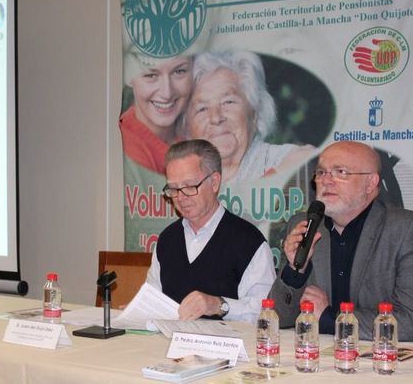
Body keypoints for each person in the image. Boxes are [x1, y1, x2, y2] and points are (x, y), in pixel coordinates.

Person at [269, 141, 413, 341]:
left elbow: (412, 322)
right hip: (322, 358)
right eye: (321, 173)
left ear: (371, 183)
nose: (326, 181)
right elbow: (278, 318)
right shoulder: (305, 226)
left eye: (340, 172)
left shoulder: (406, 229)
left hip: (394, 359)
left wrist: (331, 319)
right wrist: (295, 270)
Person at [145, 139, 276, 323]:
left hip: (228, 348)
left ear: (214, 182)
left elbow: (266, 313)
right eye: (174, 189)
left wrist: (219, 305)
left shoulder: (249, 242)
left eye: (190, 186)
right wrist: (141, 311)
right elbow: (154, 298)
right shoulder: (167, 240)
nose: (181, 198)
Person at [184, 50, 313, 183]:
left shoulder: (288, 161)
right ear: (188, 128)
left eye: (228, 102)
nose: (216, 118)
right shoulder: (182, 183)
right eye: (202, 109)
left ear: (255, 111)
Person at [119, 53, 193, 174]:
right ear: (128, 76)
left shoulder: (196, 127)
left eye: (179, 71)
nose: (167, 93)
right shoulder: (128, 148)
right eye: (151, 75)